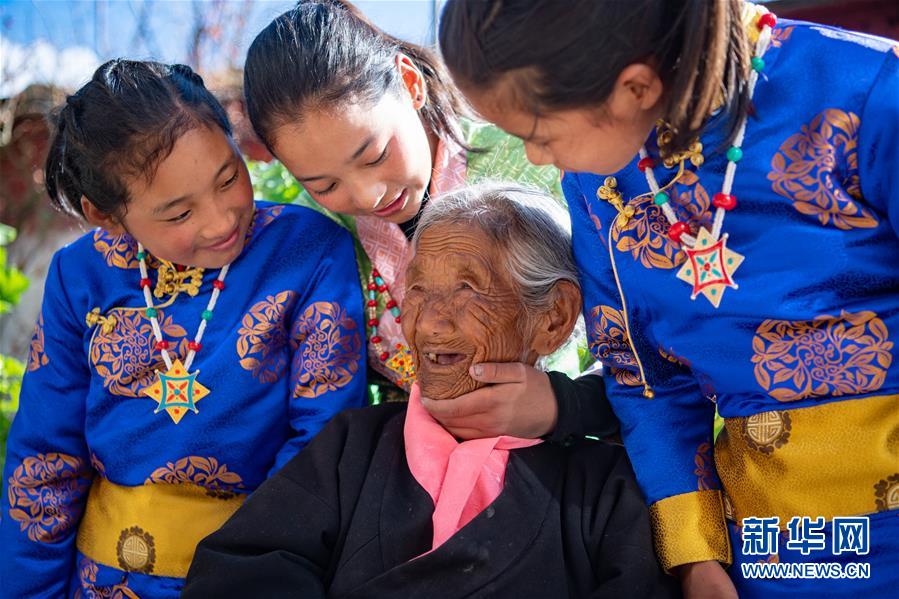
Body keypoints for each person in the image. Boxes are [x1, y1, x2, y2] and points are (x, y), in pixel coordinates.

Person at [437, 1, 899, 597]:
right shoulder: (598, 179)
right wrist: (695, 556)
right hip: (769, 549)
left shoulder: (869, 97)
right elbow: (643, 379)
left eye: (539, 133)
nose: (534, 159)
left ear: (634, 87)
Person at [181, 184, 678, 598]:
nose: (431, 321)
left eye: (468, 289)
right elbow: (239, 570)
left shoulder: (604, 487)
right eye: (417, 289)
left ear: (552, 319)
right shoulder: (351, 447)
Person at [0, 60, 366, 598]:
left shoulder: (307, 252)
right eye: (177, 214)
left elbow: (323, 437)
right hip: (99, 583)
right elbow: (45, 458)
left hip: (258, 575)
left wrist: (253, 576)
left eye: (228, 177)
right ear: (105, 215)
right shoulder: (81, 275)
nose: (220, 220)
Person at [242, 0, 613, 446]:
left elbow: (655, 342)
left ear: (410, 82)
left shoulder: (540, 163)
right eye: (324, 184)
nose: (365, 196)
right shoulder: (319, 235)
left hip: (568, 474)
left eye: (375, 155)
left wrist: (562, 403)